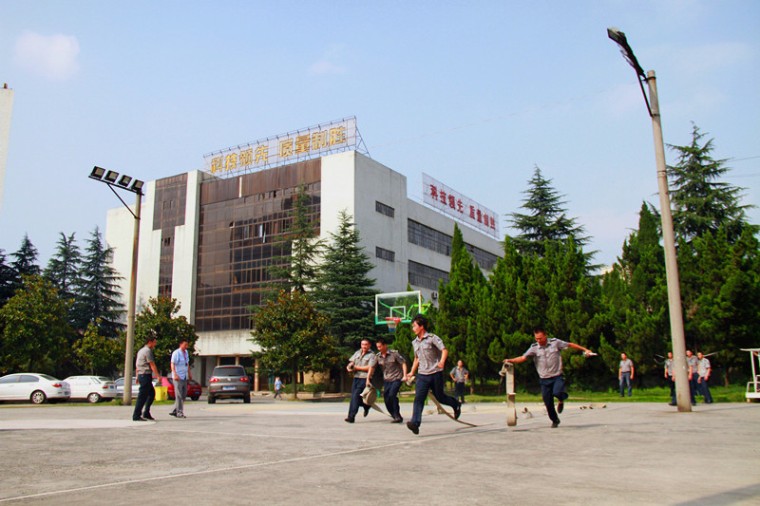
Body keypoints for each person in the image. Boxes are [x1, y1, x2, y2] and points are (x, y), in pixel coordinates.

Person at [503, 326, 594, 428]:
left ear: (545, 335)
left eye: (540, 338)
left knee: (557, 392)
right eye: (536, 338)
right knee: (548, 402)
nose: (539, 341)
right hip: (544, 379)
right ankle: (555, 420)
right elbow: (523, 358)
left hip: (557, 376)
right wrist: (511, 360)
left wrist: (585, 349)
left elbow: (570, 344)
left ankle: (561, 400)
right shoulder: (534, 347)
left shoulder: (555, 342)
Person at [405, 315, 460, 435]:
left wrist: (442, 362)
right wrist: (412, 372)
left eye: (414, 326)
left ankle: (455, 404)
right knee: (418, 399)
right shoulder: (414, 342)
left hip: (435, 373)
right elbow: (416, 358)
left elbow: (444, 350)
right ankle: (415, 423)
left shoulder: (432, 338)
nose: (413, 328)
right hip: (422, 375)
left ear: (421, 326)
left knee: (440, 397)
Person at [375, 337, 408, 423]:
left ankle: (397, 415)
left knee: (392, 395)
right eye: (377, 347)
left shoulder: (394, 354)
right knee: (386, 399)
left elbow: (403, 363)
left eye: (380, 346)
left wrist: (405, 376)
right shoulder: (378, 356)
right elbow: (372, 366)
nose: (378, 348)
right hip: (387, 379)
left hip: (397, 378)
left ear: (385, 345)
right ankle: (394, 415)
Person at [345, 338, 377, 423]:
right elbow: (352, 362)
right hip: (356, 378)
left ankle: (351, 417)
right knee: (355, 397)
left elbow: (370, 367)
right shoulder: (357, 353)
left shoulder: (372, 355)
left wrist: (357, 368)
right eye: (362, 344)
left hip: (364, 378)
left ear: (369, 345)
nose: (364, 346)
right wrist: (349, 367)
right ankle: (366, 405)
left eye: (366, 344)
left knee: (355, 397)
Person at [132, 334, 160, 422]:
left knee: (151, 394)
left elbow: (137, 365)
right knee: (142, 396)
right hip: (145, 375)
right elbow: (152, 364)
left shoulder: (141, 350)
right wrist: (158, 376)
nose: (155, 344)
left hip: (142, 374)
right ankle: (136, 415)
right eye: (154, 342)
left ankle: (146, 412)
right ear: (150, 342)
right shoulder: (147, 351)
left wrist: (137, 376)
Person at [169, 339, 191, 418]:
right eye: (185, 345)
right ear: (180, 344)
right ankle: (179, 412)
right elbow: (172, 364)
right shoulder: (176, 353)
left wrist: (189, 373)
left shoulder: (186, 353)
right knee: (179, 395)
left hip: (184, 376)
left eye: (187, 345)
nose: (186, 347)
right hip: (178, 377)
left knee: (184, 394)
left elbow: (187, 364)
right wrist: (175, 374)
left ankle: (174, 410)